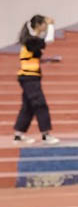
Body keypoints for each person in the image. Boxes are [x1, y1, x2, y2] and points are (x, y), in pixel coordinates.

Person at [12, 15, 59, 144]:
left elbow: (32, 58)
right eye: (44, 24)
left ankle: (18, 135)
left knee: (28, 106)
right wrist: (51, 25)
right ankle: (46, 135)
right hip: (29, 78)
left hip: (30, 77)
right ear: (38, 25)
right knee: (40, 104)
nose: (45, 27)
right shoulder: (31, 40)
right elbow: (48, 40)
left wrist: (47, 61)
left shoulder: (31, 41)